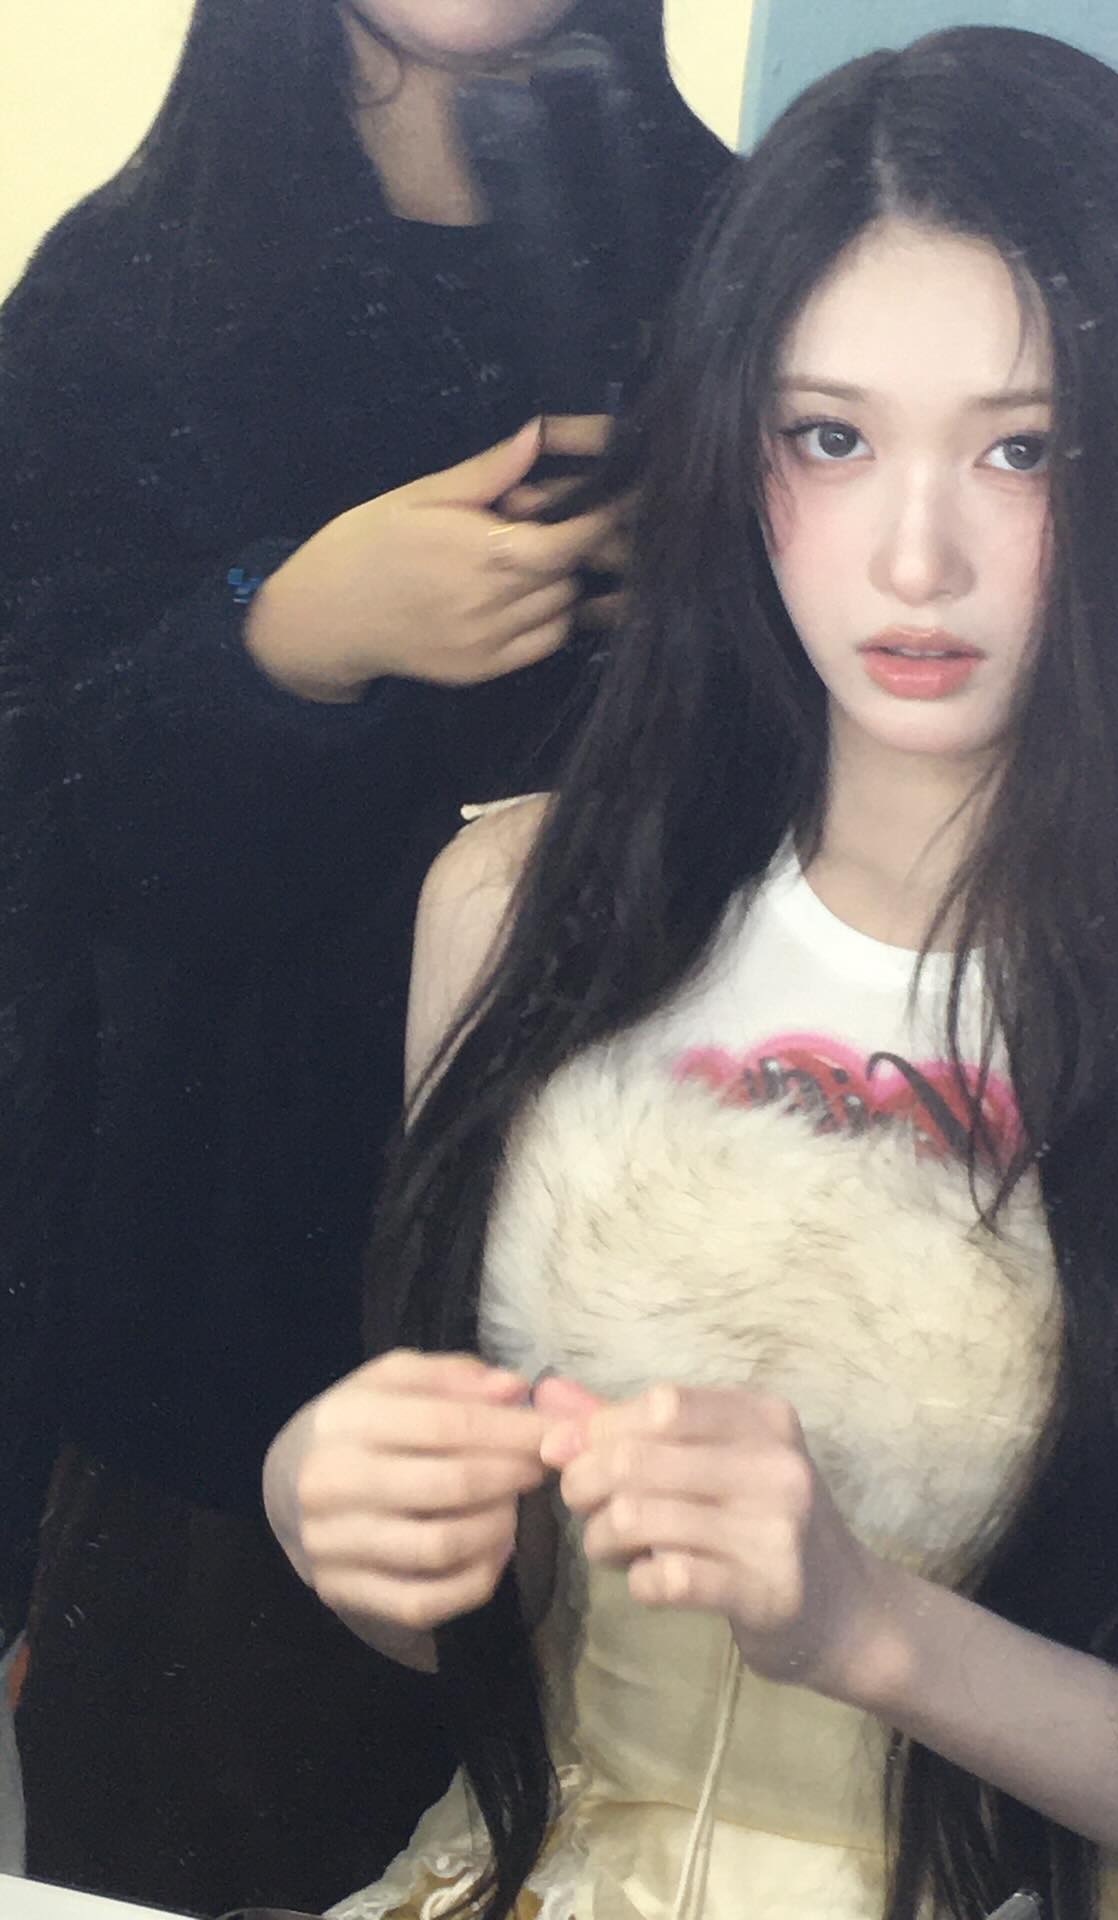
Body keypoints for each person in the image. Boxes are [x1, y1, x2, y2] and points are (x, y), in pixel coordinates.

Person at [262, 26, 1118, 1920]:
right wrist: (334, 1510)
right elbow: (472, 1614)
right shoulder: (513, 909)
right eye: (831, 436)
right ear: (740, 453)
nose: (915, 558)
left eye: (1022, 448)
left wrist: (875, 1632)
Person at [0, 0, 728, 1910]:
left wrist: (724, 580)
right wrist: (286, 638)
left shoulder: (749, 253)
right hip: (224, 1319)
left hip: (673, 1301)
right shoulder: (129, 286)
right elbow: (43, 818)